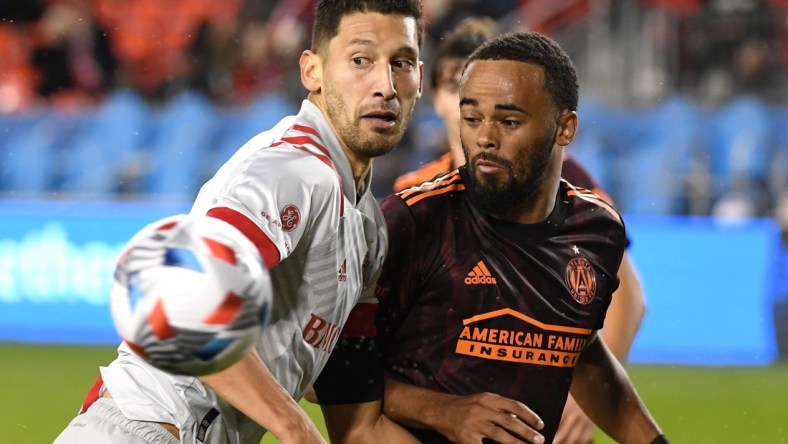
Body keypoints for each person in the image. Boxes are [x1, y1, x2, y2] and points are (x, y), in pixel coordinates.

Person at [55, 1, 425, 443]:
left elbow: (356, 422)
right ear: (313, 71)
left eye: (400, 63)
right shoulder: (295, 171)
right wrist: (294, 427)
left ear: (420, 77)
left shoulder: (368, 228)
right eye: (360, 60)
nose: (384, 85)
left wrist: (455, 416)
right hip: (148, 428)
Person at [375, 31, 667, 444]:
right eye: (472, 118)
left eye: (509, 121)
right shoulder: (414, 219)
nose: (485, 137)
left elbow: (579, 350)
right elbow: (327, 368)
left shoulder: (597, 231)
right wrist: (444, 411)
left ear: (564, 128)